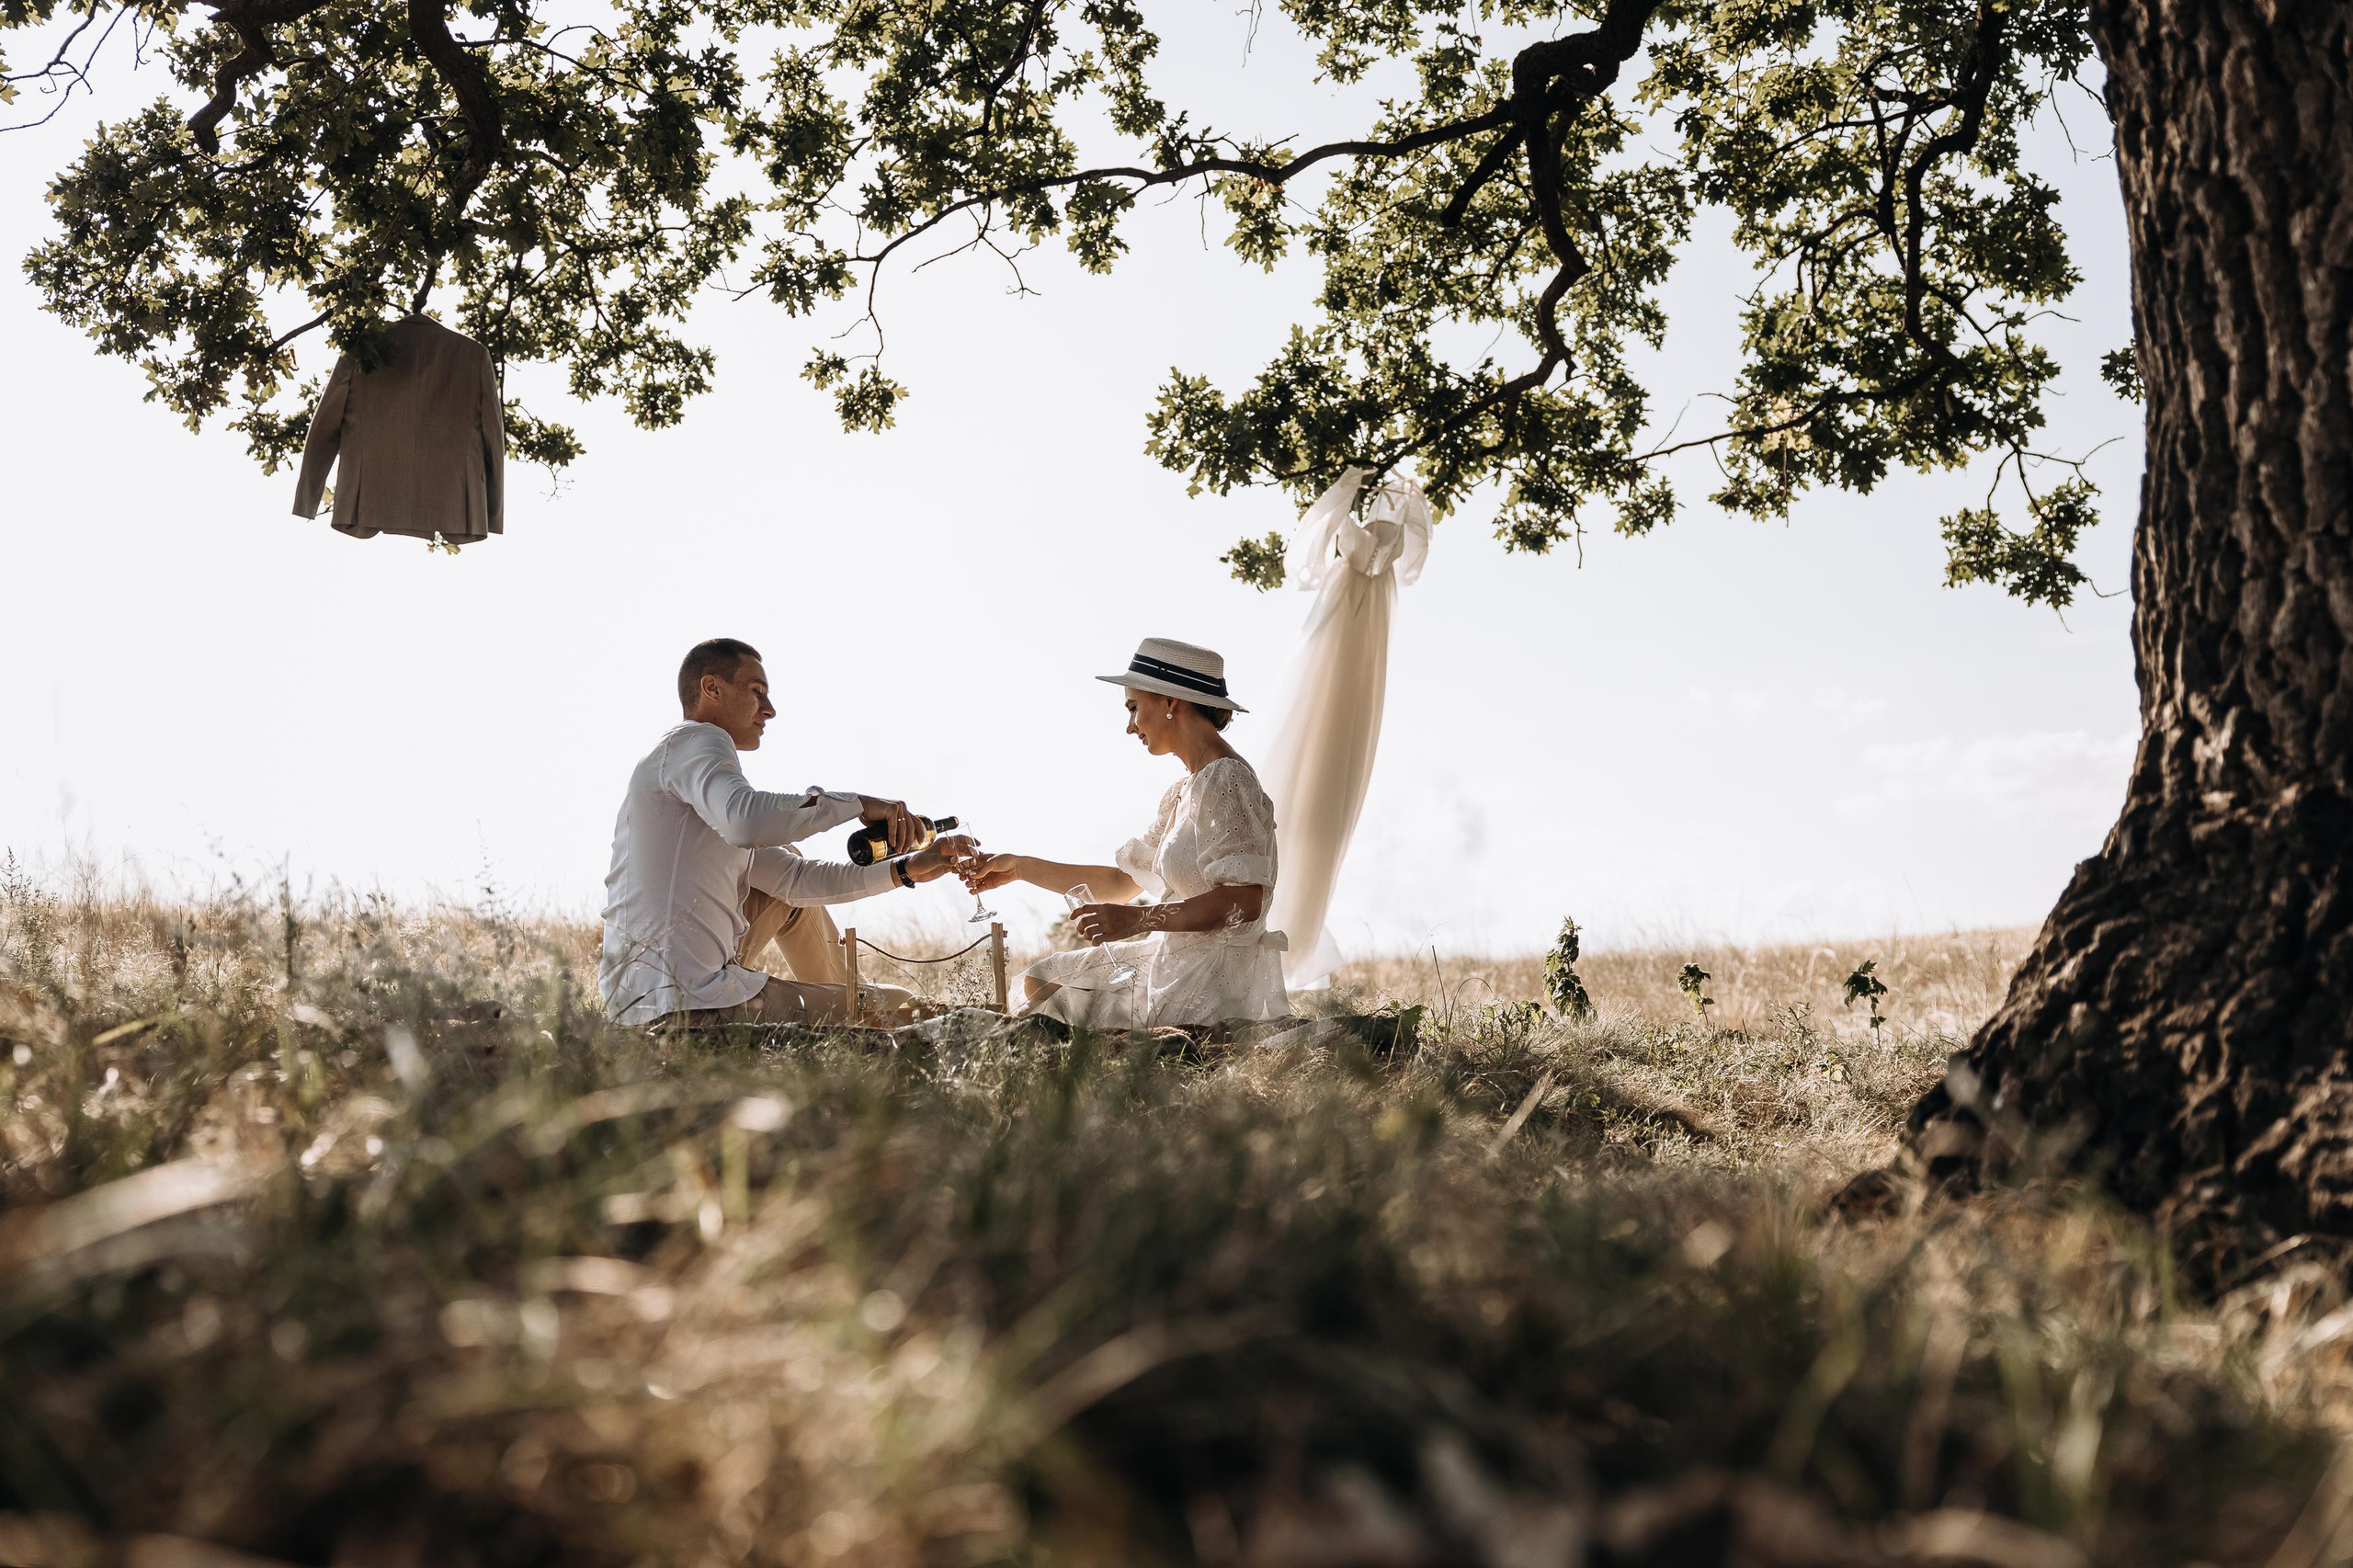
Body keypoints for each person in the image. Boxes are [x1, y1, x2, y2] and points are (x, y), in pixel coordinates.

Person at [598, 637, 969, 1028]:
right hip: (685, 1002)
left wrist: (907, 870)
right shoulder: (697, 739)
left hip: (643, 998)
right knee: (904, 1007)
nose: (769, 710)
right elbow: (748, 821)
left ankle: (848, 1002)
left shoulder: (685, 772)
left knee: (787, 868)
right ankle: (861, 1015)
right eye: (757, 692)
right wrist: (858, 804)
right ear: (712, 688)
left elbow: (794, 880)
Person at [960, 637, 1291, 1030]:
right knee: (1041, 978)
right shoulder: (1185, 790)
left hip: (1212, 977)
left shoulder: (1227, 778)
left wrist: (1137, 922)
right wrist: (1019, 868)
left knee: (1054, 1001)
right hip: (1175, 957)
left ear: (1171, 702)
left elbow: (1245, 900)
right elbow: (1121, 883)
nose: (1129, 726)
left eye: (1133, 707)